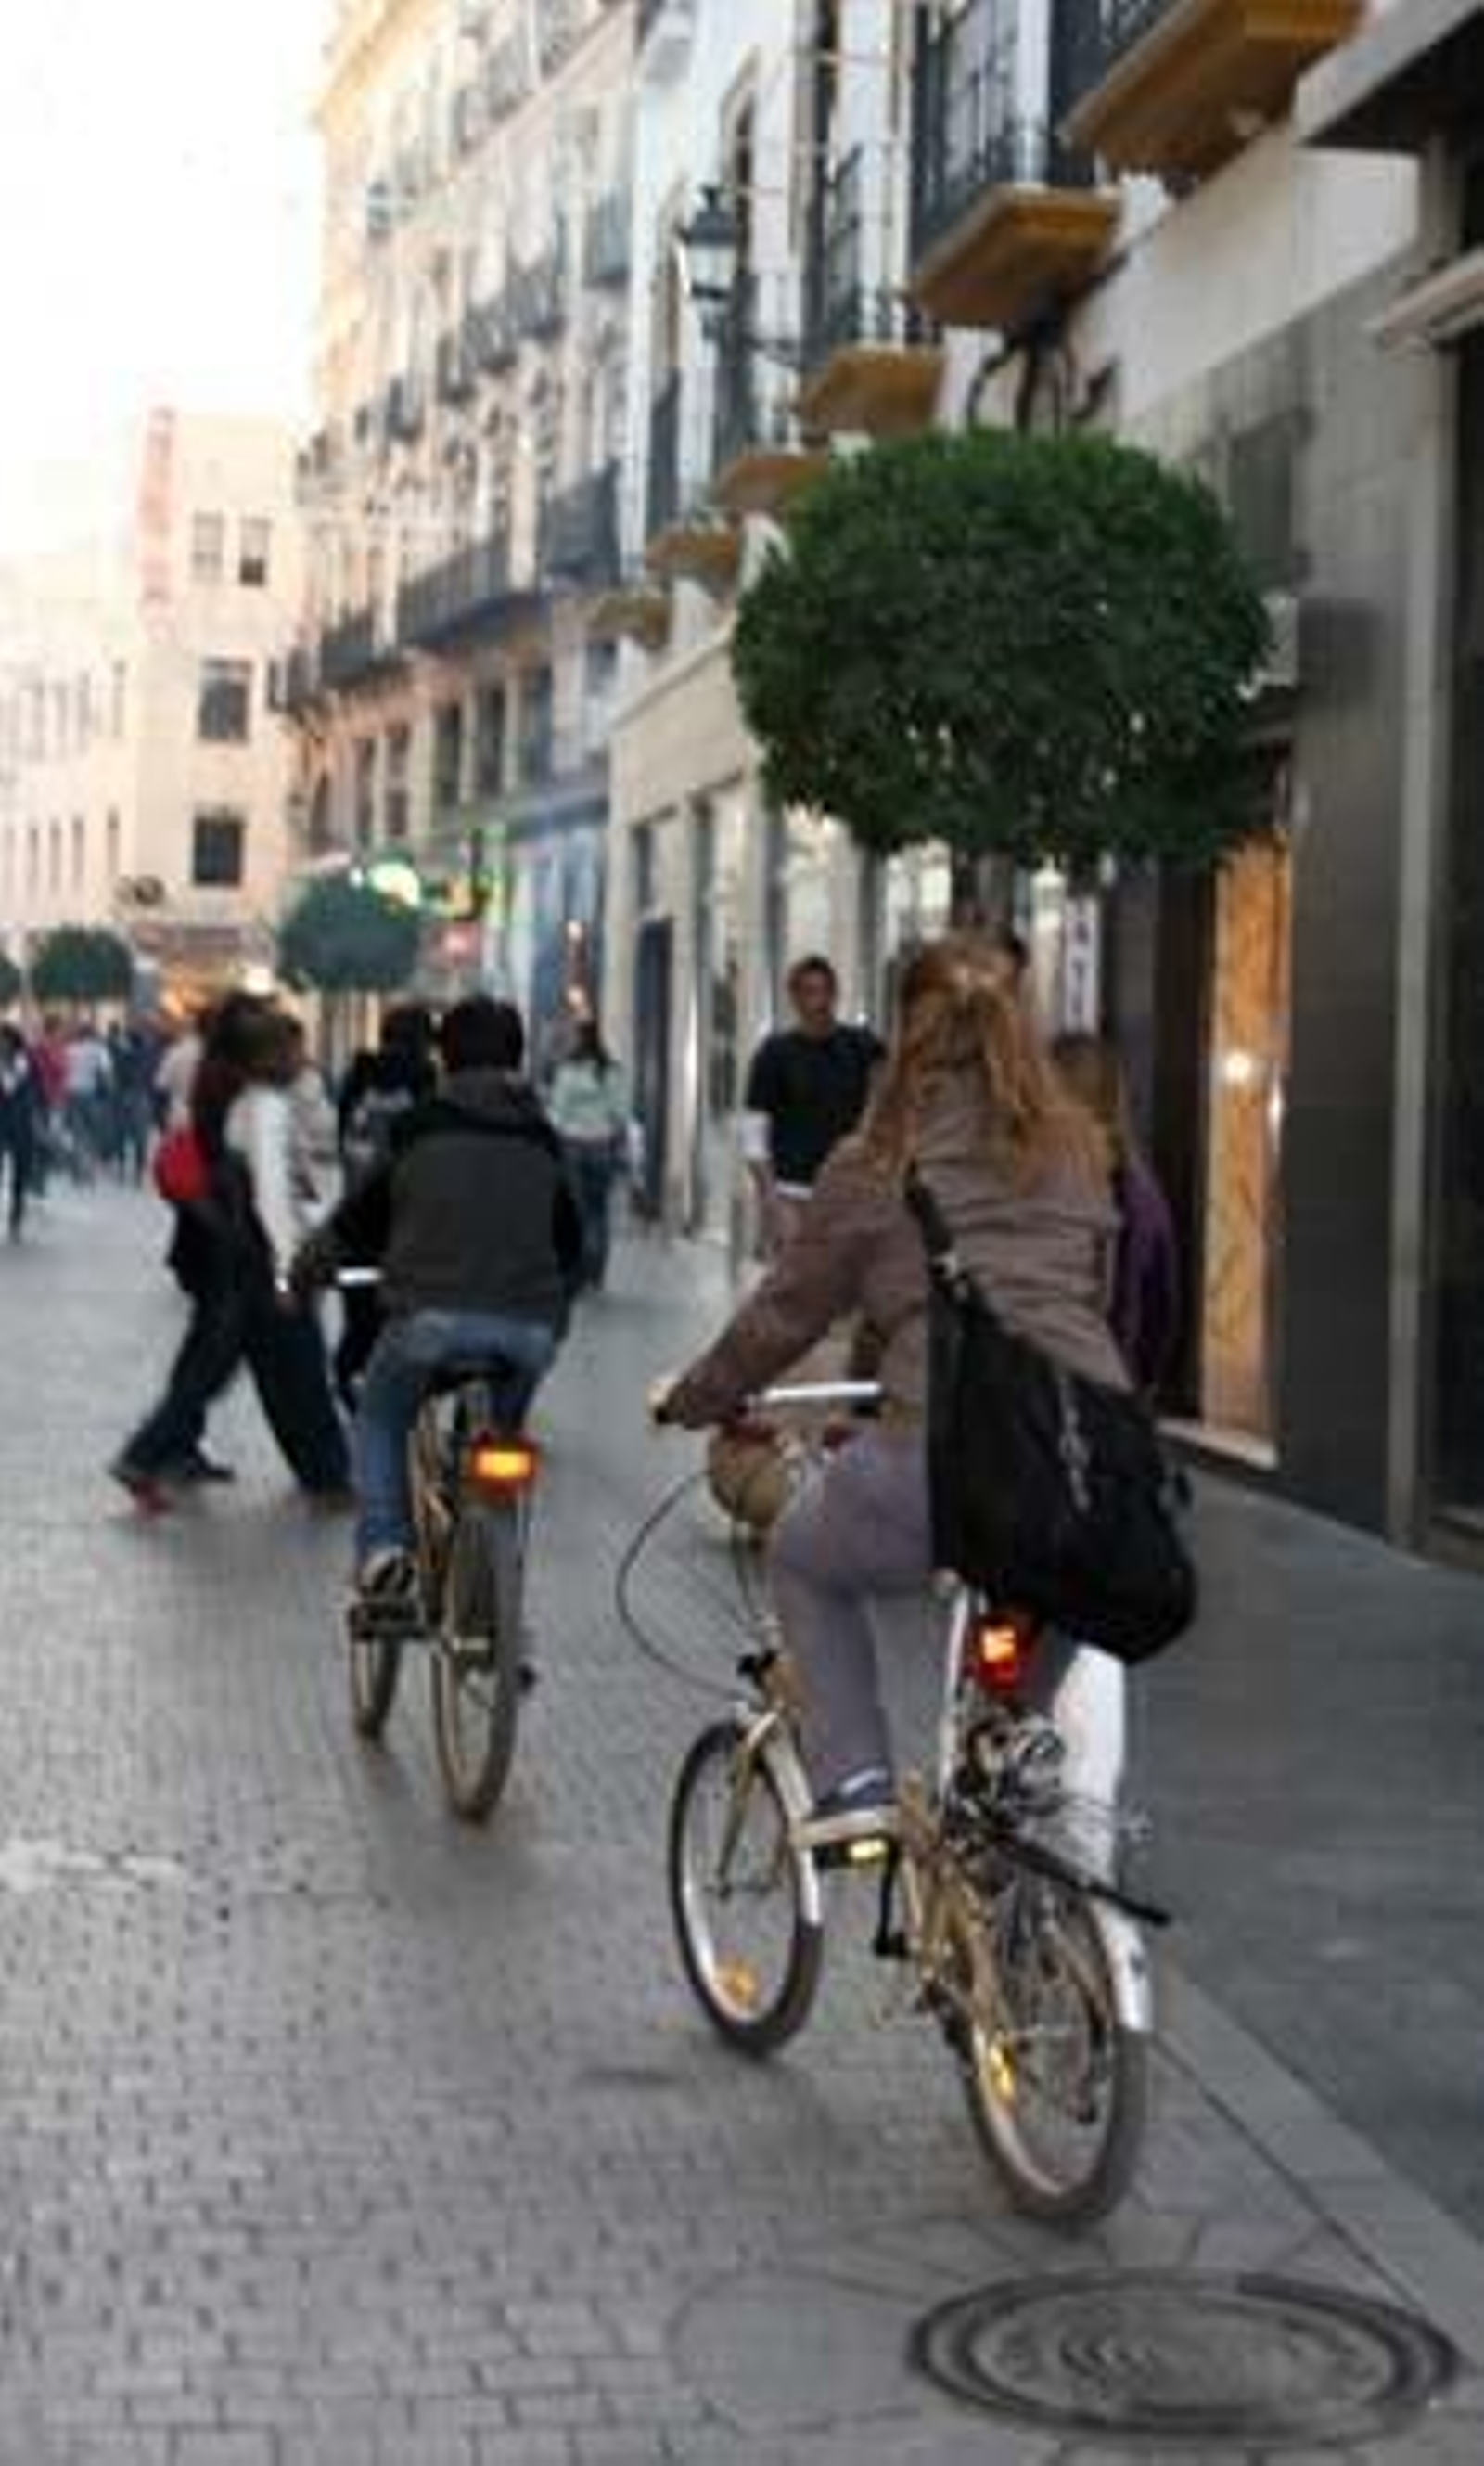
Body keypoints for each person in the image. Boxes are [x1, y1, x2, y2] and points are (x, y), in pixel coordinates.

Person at [658, 934, 1130, 1847]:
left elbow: (786, 1314)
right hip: (1083, 1468)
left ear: (906, 1035)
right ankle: (1012, 1751)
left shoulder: (874, 1161)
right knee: (1057, 1595)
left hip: (938, 1460)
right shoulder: (1075, 1149)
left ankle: (857, 1784)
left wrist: (698, 1397)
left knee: (803, 1558)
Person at [294, 995, 582, 1600]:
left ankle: (385, 1547)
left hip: (429, 1319)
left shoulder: (417, 1129)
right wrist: (554, 1308)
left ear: (444, 1058)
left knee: (381, 1415)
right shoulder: (544, 1137)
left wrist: (306, 1272)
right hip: (530, 1331)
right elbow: (573, 1243)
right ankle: (495, 1580)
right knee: (501, 1434)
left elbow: (357, 1218)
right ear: (517, 1059)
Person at [112, 1000, 351, 1508]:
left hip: (237, 1255)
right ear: (269, 1056)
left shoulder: (225, 1091)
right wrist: (290, 1269)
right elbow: (273, 1196)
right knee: (295, 1371)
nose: (303, 1058)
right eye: (294, 1050)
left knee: (227, 1369)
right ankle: (327, 1476)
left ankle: (148, 1454)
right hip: (264, 1259)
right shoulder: (264, 1107)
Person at [1053, 1031, 1180, 1399]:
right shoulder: (1142, 1187)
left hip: (1064, 1390)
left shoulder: (1053, 1183)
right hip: (1114, 1388)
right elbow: (1163, 1308)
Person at [742, 957, 882, 1260]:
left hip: (848, 1194)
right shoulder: (774, 1054)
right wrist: (771, 1202)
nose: (818, 1002)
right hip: (793, 1196)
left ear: (836, 994)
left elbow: (890, 1089)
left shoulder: (861, 1045)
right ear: (794, 998)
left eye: (825, 991)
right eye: (809, 992)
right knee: (797, 1282)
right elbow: (753, 1137)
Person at [333, 1004, 439, 1406]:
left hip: (356, 1222)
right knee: (407, 1322)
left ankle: (353, 1390)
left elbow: (340, 1135)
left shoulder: (357, 1076)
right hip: (410, 1226)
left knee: (358, 1321)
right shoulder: (425, 1079)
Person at [549, 1021, 630, 1291]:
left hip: (572, 1146)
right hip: (602, 1146)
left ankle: (580, 1270)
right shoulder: (613, 1071)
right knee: (599, 1211)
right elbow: (620, 1113)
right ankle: (597, 1273)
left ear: (577, 1040)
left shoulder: (567, 1071)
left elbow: (557, 1113)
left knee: (578, 1210)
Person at [0, 1025, 40, 1239]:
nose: (2, 1045)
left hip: (21, 1125)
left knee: (20, 1175)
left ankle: (16, 1217)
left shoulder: (25, 1063)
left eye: (5, 1041)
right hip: (4, 1124)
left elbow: (16, 1088)